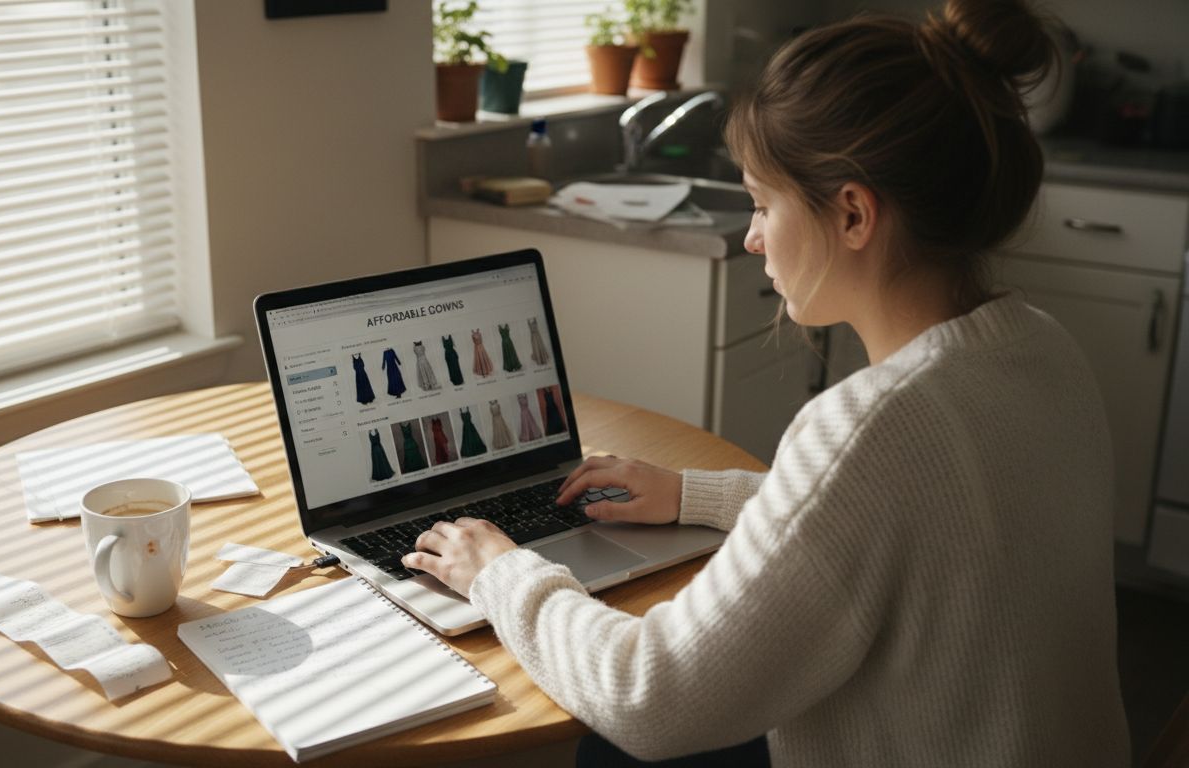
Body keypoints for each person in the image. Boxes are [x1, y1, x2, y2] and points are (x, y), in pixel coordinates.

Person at [402, 0, 1131, 764]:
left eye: (761, 203)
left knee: (608, 748)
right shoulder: (1038, 347)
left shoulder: (870, 427)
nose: (751, 237)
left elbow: (649, 697)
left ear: (852, 214)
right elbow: (907, 519)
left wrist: (503, 572)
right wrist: (694, 495)